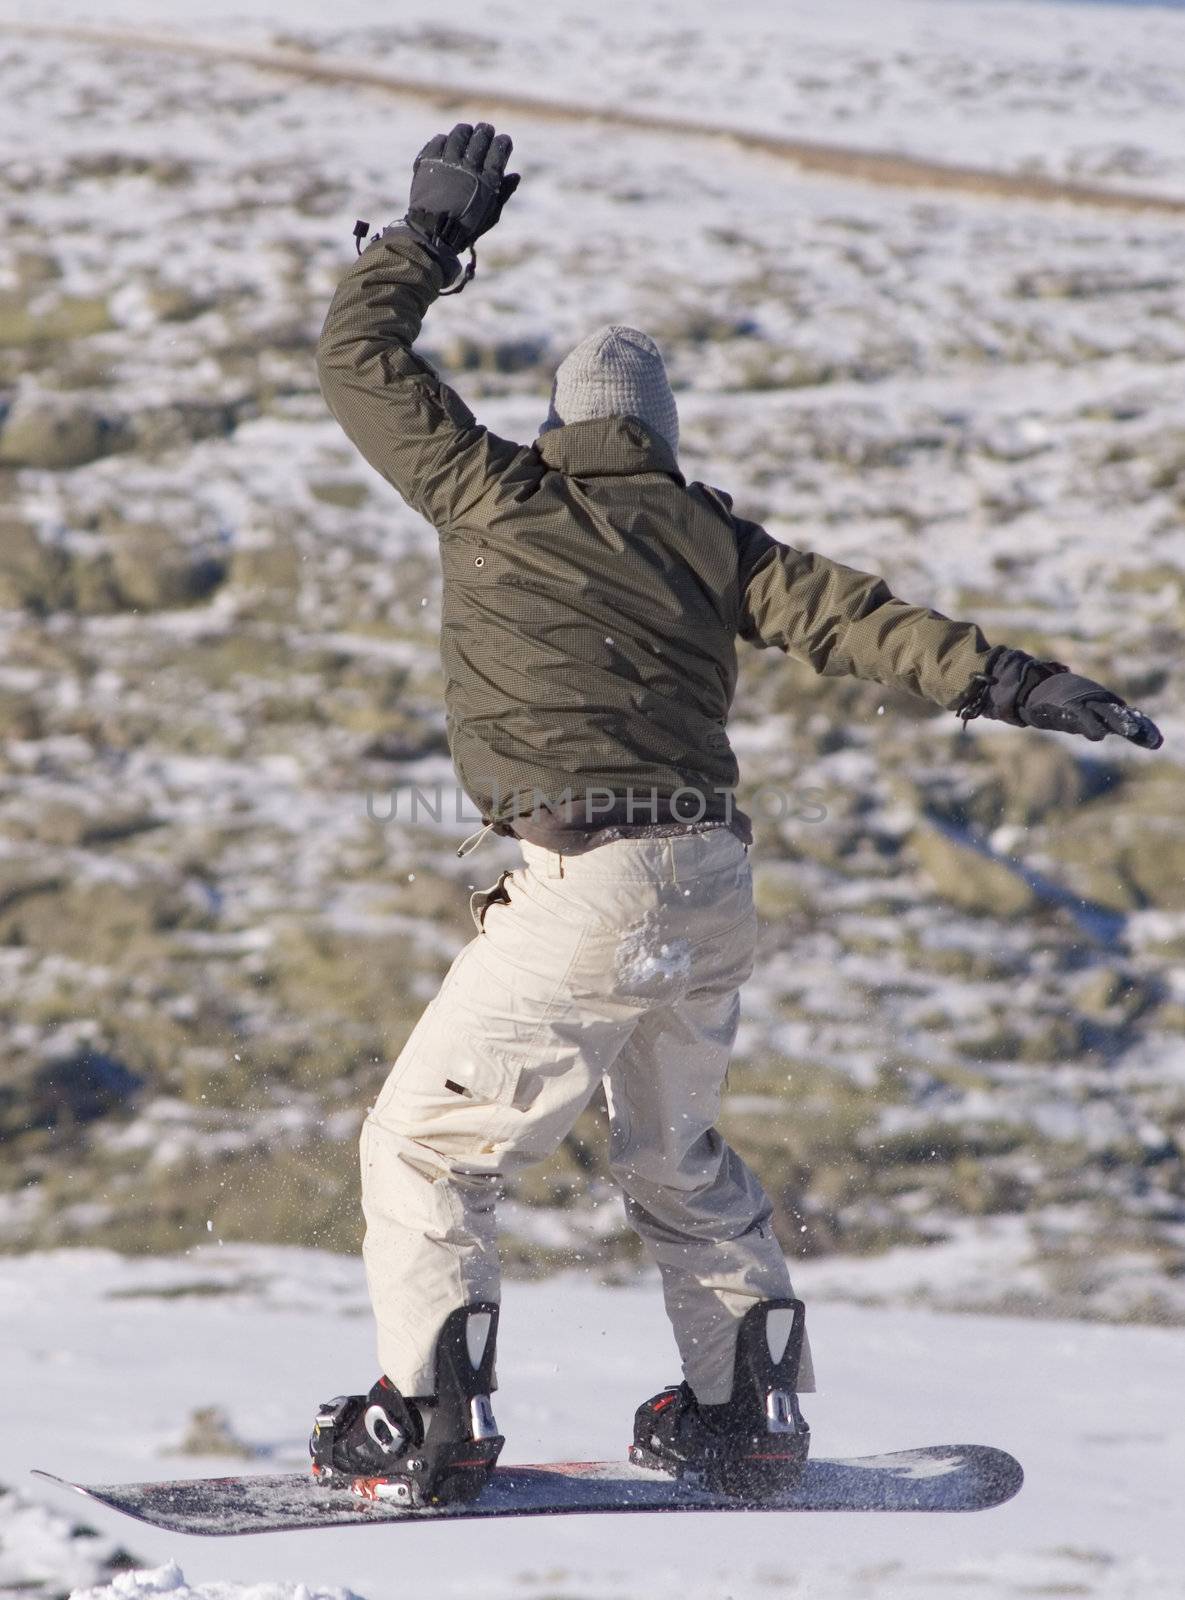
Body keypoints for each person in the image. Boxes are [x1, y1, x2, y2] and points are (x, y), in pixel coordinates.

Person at [307, 123, 1164, 1507]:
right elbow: (869, 625)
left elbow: (360, 364)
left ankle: (431, 1418)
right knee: (674, 1154)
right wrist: (1019, 681)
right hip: (709, 884)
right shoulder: (717, 542)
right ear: (660, 436)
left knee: (422, 1149)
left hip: (586, 879)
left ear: (562, 424)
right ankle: (743, 1409)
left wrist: (428, 238)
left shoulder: (491, 493)